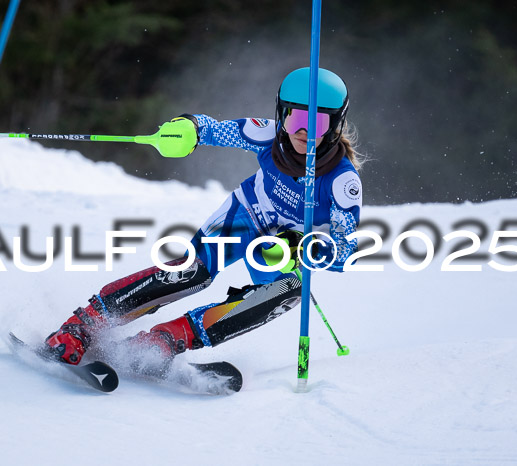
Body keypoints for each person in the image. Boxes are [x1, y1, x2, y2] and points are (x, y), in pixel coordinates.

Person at [44, 67, 363, 372]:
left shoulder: (342, 182)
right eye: (296, 119)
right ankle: (80, 327)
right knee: (193, 271)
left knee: (289, 290)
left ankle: (165, 340)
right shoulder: (269, 135)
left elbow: (345, 250)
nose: (304, 133)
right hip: (244, 216)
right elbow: (215, 130)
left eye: (318, 124)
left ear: (335, 125)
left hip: (277, 249)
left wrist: (308, 249)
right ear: (281, 114)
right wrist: (190, 128)